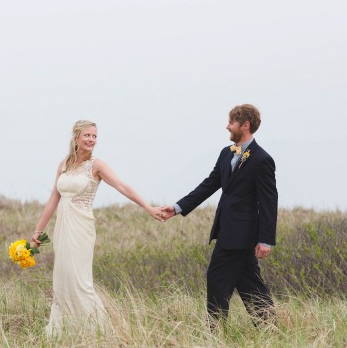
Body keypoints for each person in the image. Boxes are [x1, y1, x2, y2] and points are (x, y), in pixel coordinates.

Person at [31, 120, 164, 337]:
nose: (91, 140)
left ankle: (99, 331)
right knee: (63, 277)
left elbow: (122, 186)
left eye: (94, 136)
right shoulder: (64, 164)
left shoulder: (97, 165)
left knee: (80, 279)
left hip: (81, 227)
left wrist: (148, 208)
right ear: (76, 137)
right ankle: (64, 331)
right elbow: (53, 200)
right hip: (62, 227)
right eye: (87, 135)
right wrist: (37, 231)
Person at [161, 104, 277, 326]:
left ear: (245, 125)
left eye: (232, 122)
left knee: (217, 278)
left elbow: (269, 201)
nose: (227, 126)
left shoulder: (262, 159)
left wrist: (265, 239)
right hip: (227, 230)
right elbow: (208, 185)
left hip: (242, 234)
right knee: (249, 283)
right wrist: (177, 208)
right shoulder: (226, 154)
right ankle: (270, 328)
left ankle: (214, 331)